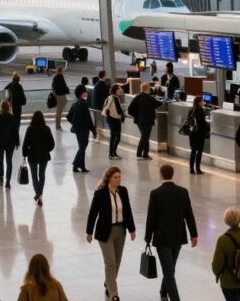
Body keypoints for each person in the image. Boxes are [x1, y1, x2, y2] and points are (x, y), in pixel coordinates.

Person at [145, 164, 198, 301]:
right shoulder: (182, 191)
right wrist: (193, 234)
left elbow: (151, 218)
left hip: (162, 238)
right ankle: (163, 291)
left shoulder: (155, 194)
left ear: (160, 174)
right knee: (170, 267)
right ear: (172, 174)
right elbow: (189, 215)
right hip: (178, 236)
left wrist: (148, 237)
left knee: (169, 271)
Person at [86, 167, 136, 301]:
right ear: (109, 178)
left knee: (117, 262)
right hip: (105, 232)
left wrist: (132, 229)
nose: (118, 179)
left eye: (119, 177)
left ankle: (109, 281)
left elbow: (128, 211)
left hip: (120, 231)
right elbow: (93, 213)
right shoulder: (100, 193)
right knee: (111, 263)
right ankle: (113, 293)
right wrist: (89, 231)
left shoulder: (123, 191)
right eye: (115, 177)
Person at [22, 110, 55, 207]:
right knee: (42, 175)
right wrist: (46, 149)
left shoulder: (30, 129)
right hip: (44, 155)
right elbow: (52, 143)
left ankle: (38, 193)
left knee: (34, 176)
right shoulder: (46, 128)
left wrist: (25, 154)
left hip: (32, 155)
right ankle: (40, 195)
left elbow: (25, 144)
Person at [128, 83, 161, 160]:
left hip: (139, 121)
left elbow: (130, 110)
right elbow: (158, 104)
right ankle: (139, 153)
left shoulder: (137, 97)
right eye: (149, 88)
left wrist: (136, 115)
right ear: (147, 89)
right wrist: (163, 102)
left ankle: (145, 154)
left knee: (145, 136)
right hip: (148, 121)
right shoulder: (149, 98)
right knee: (145, 137)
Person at [0, 101, 20, 188]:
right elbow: (15, 132)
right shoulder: (12, 118)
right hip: (10, 142)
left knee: (0, 161)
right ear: (9, 108)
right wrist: (17, 142)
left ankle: (1, 179)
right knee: (9, 161)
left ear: (1, 107)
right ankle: (8, 181)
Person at [67, 88, 95, 173]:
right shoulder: (84, 103)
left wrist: (74, 124)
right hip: (83, 129)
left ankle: (81, 167)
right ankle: (76, 164)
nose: (86, 93)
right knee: (83, 147)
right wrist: (93, 128)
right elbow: (88, 118)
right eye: (85, 92)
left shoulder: (75, 103)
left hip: (77, 129)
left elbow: (68, 116)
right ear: (81, 93)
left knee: (81, 147)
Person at [102, 83, 125, 160]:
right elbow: (107, 108)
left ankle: (114, 152)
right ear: (115, 90)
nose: (120, 90)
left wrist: (121, 116)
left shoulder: (117, 98)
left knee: (118, 137)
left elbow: (119, 109)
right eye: (118, 88)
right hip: (111, 119)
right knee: (113, 136)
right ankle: (110, 153)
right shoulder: (110, 98)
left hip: (117, 119)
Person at [188, 96, 209, 175]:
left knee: (193, 151)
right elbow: (203, 124)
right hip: (200, 135)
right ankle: (198, 169)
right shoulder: (201, 111)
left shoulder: (191, 110)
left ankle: (191, 169)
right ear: (199, 102)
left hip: (192, 134)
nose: (203, 102)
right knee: (199, 152)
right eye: (202, 101)